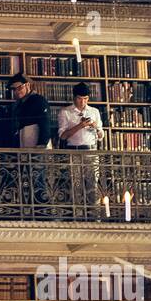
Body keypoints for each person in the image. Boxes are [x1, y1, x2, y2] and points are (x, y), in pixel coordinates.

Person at [58, 82, 104, 212]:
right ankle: (77, 216)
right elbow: (63, 136)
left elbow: (101, 135)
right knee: (75, 186)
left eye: (85, 99)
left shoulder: (94, 111)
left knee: (93, 185)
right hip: (74, 152)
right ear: (74, 97)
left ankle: (95, 217)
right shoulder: (65, 112)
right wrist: (80, 126)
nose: (82, 102)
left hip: (91, 151)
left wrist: (95, 127)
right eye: (79, 98)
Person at [9, 73, 50, 148]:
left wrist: (42, 143)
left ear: (27, 85)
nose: (17, 92)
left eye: (20, 88)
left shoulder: (39, 100)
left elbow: (45, 122)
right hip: (22, 141)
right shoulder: (17, 104)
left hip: (36, 141)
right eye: (14, 89)